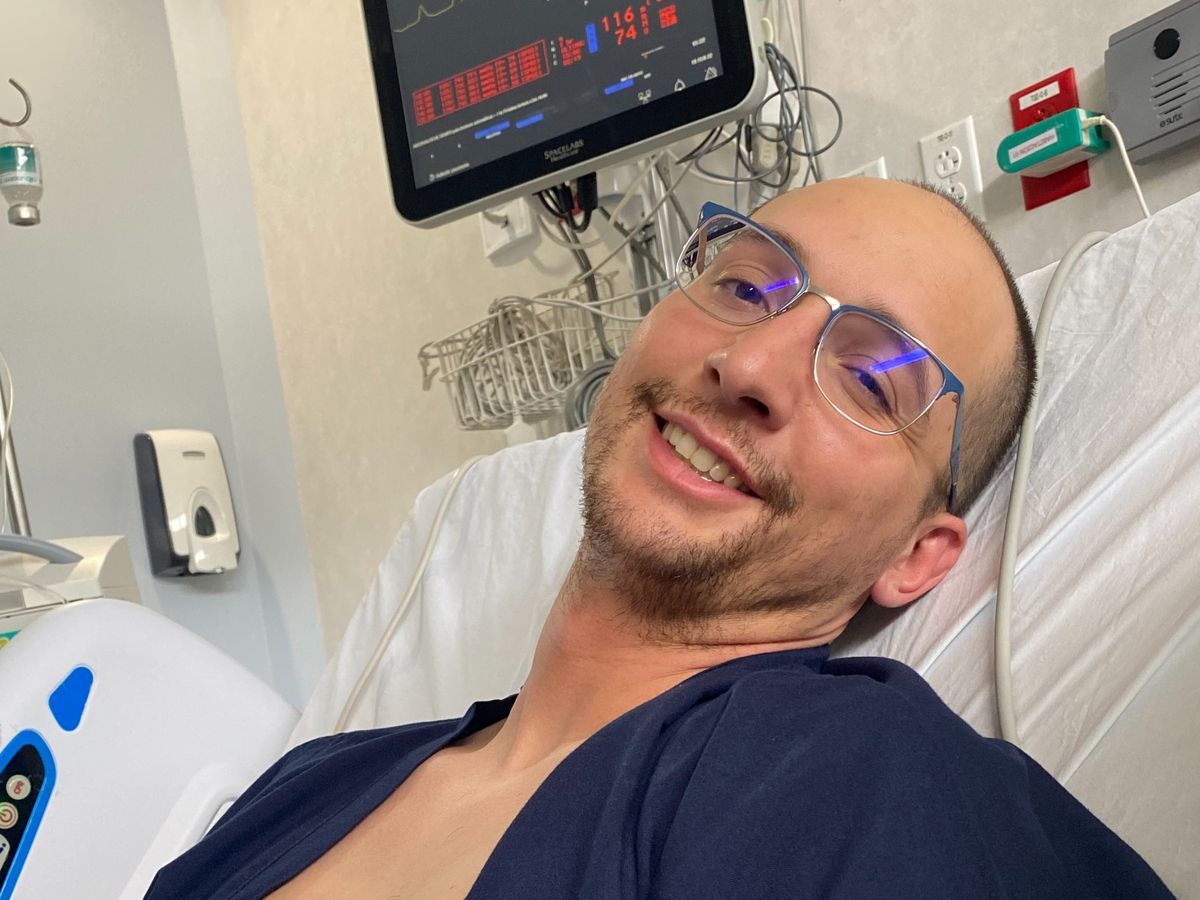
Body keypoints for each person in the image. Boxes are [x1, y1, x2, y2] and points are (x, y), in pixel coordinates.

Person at [147, 179, 1170, 899]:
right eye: (745, 286)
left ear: (916, 557)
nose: (750, 364)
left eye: (869, 380)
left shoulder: (855, 773)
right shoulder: (313, 781)